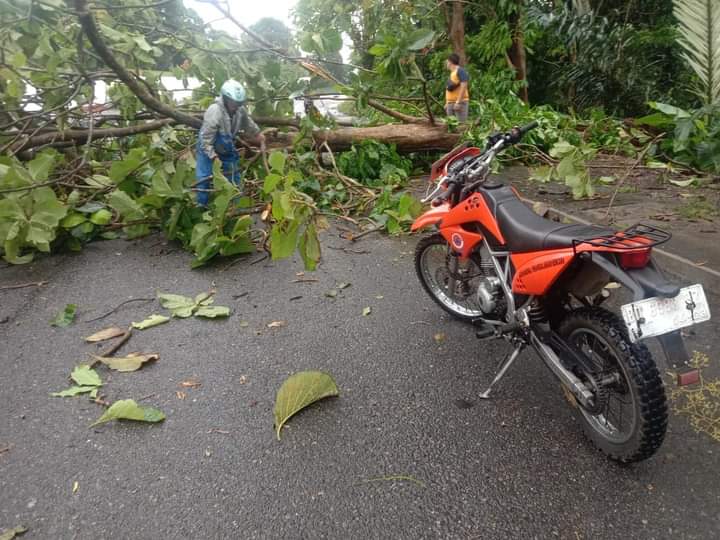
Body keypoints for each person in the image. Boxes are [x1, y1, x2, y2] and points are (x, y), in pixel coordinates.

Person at [195, 79, 266, 207]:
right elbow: (205, 140)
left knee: (234, 177)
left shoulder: (240, 110)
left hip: (226, 146)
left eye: (238, 103)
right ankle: (201, 206)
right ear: (226, 98)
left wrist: (258, 134)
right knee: (204, 178)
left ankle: (236, 207)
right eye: (234, 102)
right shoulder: (215, 111)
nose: (236, 105)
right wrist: (213, 156)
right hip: (207, 147)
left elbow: (248, 124)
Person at [445, 53, 470, 123]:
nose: (446, 63)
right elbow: (450, 89)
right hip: (451, 103)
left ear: (450, 62)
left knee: (460, 126)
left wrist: (458, 102)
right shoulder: (452, 73)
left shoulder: (460, 71)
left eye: (447, 61)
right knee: (451, 126)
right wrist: (447, 102)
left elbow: (464, 86)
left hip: (459, 103)